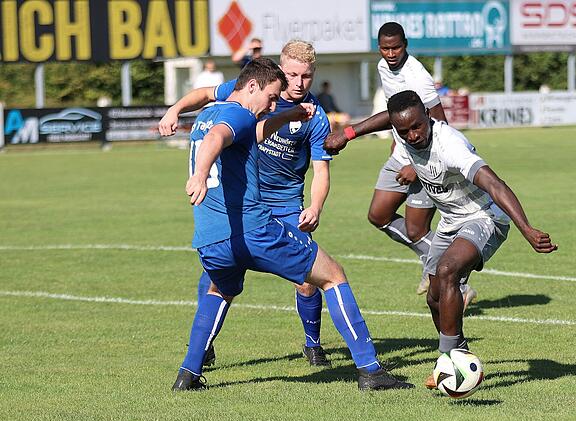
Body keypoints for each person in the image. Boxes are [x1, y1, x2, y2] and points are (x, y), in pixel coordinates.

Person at [171, 58, 413, 392]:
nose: (273, 104)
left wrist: (285, 116)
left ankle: (188, 375)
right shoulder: (238, 113)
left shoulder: (209, 113)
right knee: (333, 275)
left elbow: (241, 133)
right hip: (254, 230)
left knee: (218, 290)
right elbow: (218, 138)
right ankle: (370, 371)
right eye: (271, 98)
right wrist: (198, 175)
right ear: (252, 86)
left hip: (210, 237)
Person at [160, 41, 335, 369]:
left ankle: (312, 344)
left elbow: (321, 170)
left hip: (285, 203)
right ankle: (204, 346)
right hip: (243, 200)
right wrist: (174, 110)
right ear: (281, 71)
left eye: (307, 76)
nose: (299, 83)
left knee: (307, 278)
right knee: (217, 273)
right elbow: (204, 95)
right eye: (293, 75)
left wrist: (315, 206)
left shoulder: (315, 116)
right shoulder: (255, 90)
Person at [367, 90, 558, 389]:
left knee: (448, 272)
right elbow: (385, 122)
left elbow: (494, 183)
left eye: (417, 126)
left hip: (485, 217)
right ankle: (460, 353)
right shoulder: (404, 135)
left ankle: (448, 360)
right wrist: (349, 134)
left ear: (428, 117)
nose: (413, 135)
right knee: (434, 297)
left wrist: (527, 228)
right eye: (404, 131)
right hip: (451, 221)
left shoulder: (450, 145)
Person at [324, 22, 477, 308]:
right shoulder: (384, 67)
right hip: (401, 153)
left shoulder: (417, 75)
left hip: (425, 159)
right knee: (378, 215)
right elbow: (394, 111)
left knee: (416, 229)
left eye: (396, 47)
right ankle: (436, 265)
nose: (391, 53)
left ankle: (458, 282)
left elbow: (439, 120)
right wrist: (397, 140)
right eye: (385, 48)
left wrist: (419, 164)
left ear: (405, 45)